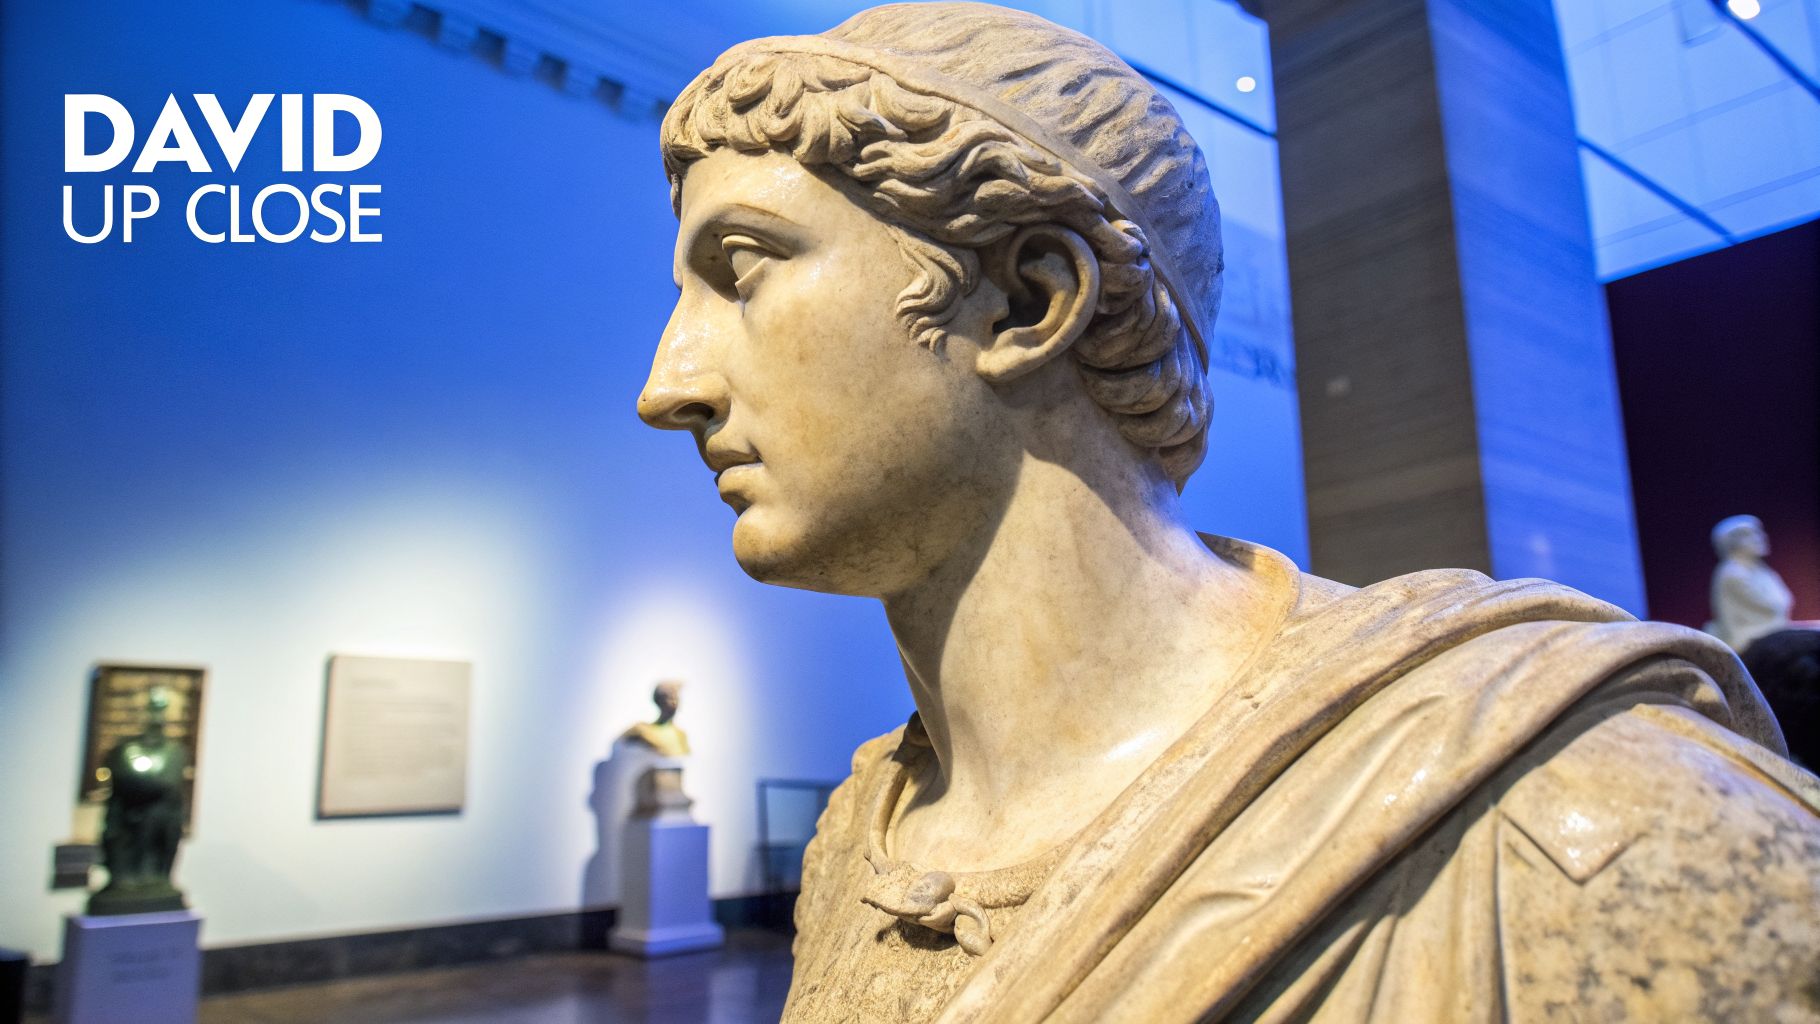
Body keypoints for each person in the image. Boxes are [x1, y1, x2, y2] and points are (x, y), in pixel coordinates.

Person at [637, 5, 1820, 1020]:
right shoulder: (861, 836)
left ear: (1029, 297)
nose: (666, 385)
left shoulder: (1591, 827)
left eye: (742, 270)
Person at [1707, 513, 1795, 653]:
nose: (1761, 538)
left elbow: (1784, 601)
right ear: (1735, 543)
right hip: (1749, 641)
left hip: (1771, 633)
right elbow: (1774, 605)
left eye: (1758, 533)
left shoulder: (1762, 571)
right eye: (1752, 535)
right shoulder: (1732, 573)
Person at [620, 680, 691, 758]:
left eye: (676, 697)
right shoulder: (641, 729)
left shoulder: (680, 735)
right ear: (659, 701)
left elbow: (686, 760)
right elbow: (618, 745)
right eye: (669, 697)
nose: (673, 702)